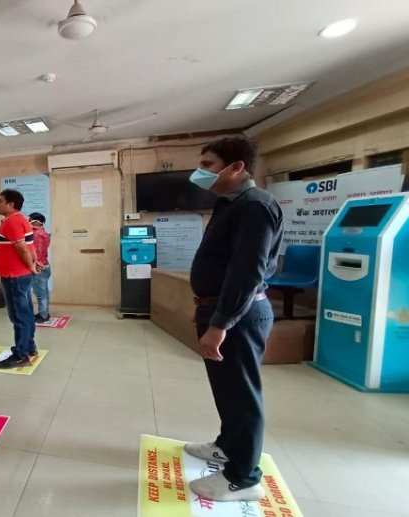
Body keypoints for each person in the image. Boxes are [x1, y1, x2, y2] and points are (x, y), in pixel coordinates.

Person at [185, 137, 283, 502]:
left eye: (208, 165)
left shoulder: (255, 206)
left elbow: (247, 273)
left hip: (238, 317)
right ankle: (227, 446)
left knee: (241, 396)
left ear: (236, 166)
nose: (200, 172)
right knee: (227, 391)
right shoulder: (230, 202)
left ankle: (242, 478)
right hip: (220, 309)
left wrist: (220, 324)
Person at [0, 189, 39, 369]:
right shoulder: (21, 219)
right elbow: (30, 245)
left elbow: (22, 248)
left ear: (10, 204)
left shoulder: (12, 221)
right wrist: (33, 263)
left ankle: (21, 355)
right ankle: (30, 347)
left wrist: (31, 265)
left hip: (14, 277)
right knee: (26, 314)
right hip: (21, 276)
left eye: (0, 201)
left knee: (19, 317)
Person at [28, 212, 52, 323]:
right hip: (45, 265)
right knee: (44, 292)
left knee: (41, 294)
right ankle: (44, 313)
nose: (28, 222)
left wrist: (35, 265)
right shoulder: (44, 233)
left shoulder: (37, 234)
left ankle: (43, 316)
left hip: (39, 267)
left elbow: (38, 253)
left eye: (30, 220)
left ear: (37, 222)